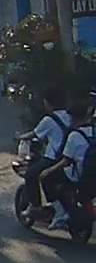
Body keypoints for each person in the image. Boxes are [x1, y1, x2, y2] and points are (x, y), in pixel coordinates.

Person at [42, 98, 96, 231]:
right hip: (92, 175)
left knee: (47, 178)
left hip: (80, 177)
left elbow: (65, 161)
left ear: (73, 118)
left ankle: (60, 213)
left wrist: (48, 170)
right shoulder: (94, 131)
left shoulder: (74, 136)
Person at [18, 87, 71, 222]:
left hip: (53, 159)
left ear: (48, 102)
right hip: (70, 157)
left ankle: (35, 206)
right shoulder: (70, 116)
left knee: (30, 174)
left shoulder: (49, 120)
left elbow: (34, 134)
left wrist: (20, 137)